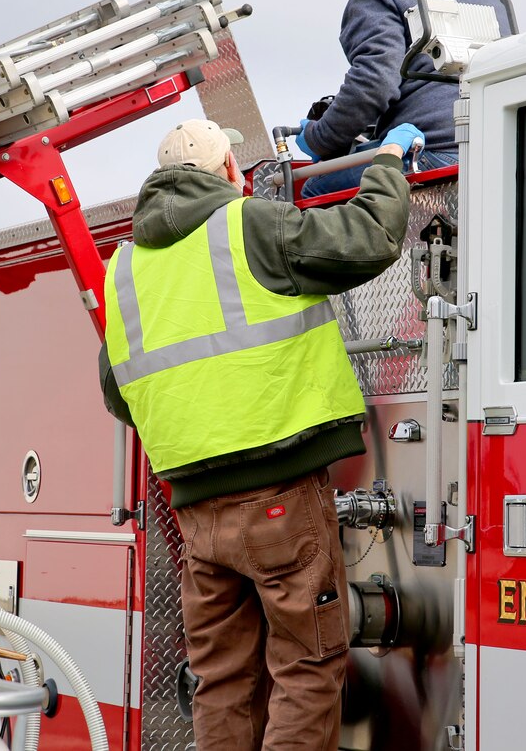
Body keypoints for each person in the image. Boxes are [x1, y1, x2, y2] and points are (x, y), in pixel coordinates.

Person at [98, 117, 423, 750]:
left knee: (220, 680)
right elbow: (373, 237)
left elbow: (120, 394)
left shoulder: (124, 270)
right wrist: (387, 161)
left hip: (197, 512)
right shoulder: (248, 223)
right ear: (229, 171)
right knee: (306, 664)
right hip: (282, 497)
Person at [297, 0, 513, 198]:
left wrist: (320, 137)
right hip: (502, 147)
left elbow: (373, 82)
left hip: (429, 152)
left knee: (312, 189)